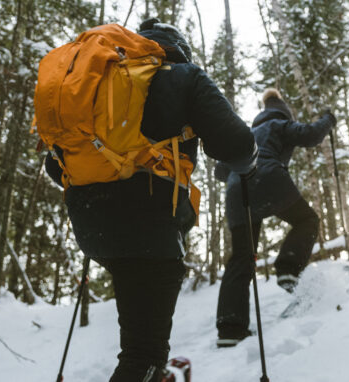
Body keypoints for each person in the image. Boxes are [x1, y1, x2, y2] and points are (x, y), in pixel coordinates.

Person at [45, 19, 257, 381]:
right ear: (178, 49)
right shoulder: (184, 75)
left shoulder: (100, 79)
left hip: (92, 225)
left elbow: (54, 166)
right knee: (143, 356)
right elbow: (236, 146)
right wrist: (250, 164)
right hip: (150, 227)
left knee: (142, 348)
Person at [215, 88, 336, 347]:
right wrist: (329, 120)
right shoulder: (280, 124)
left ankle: (230, 328)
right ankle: (288, 268)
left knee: (242, 257)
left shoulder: (246, 134)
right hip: (269, 178)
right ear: (283, 111)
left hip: (237, 188)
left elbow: (220, 171)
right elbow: (312, 135)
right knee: (308, 220)